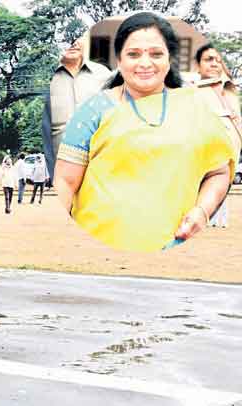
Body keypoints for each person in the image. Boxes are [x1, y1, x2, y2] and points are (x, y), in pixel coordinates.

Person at [54, 12, 235, 252]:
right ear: (119, 60)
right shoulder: (95, 110)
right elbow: (65, 182)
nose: (145, 63)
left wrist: (202, 211)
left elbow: (219, 173)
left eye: (156, 54)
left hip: (172, 246)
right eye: (134, 54)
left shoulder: (195, 107)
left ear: (170, 59)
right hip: (98, 245)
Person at [43, 35, 112, 180]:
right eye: (68, 41)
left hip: (100, 164)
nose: (73, 44)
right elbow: (47, 132)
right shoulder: (51, 79)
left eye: (77, 40)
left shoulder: (103, 74)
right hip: (63, 169)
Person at [194, 43, 242, 229]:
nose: (214, 64)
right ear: (197, 66)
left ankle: (217, 220)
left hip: (230, 155)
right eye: (208, 60)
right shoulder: (193, 93)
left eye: (219, 61)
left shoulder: (230, 93)